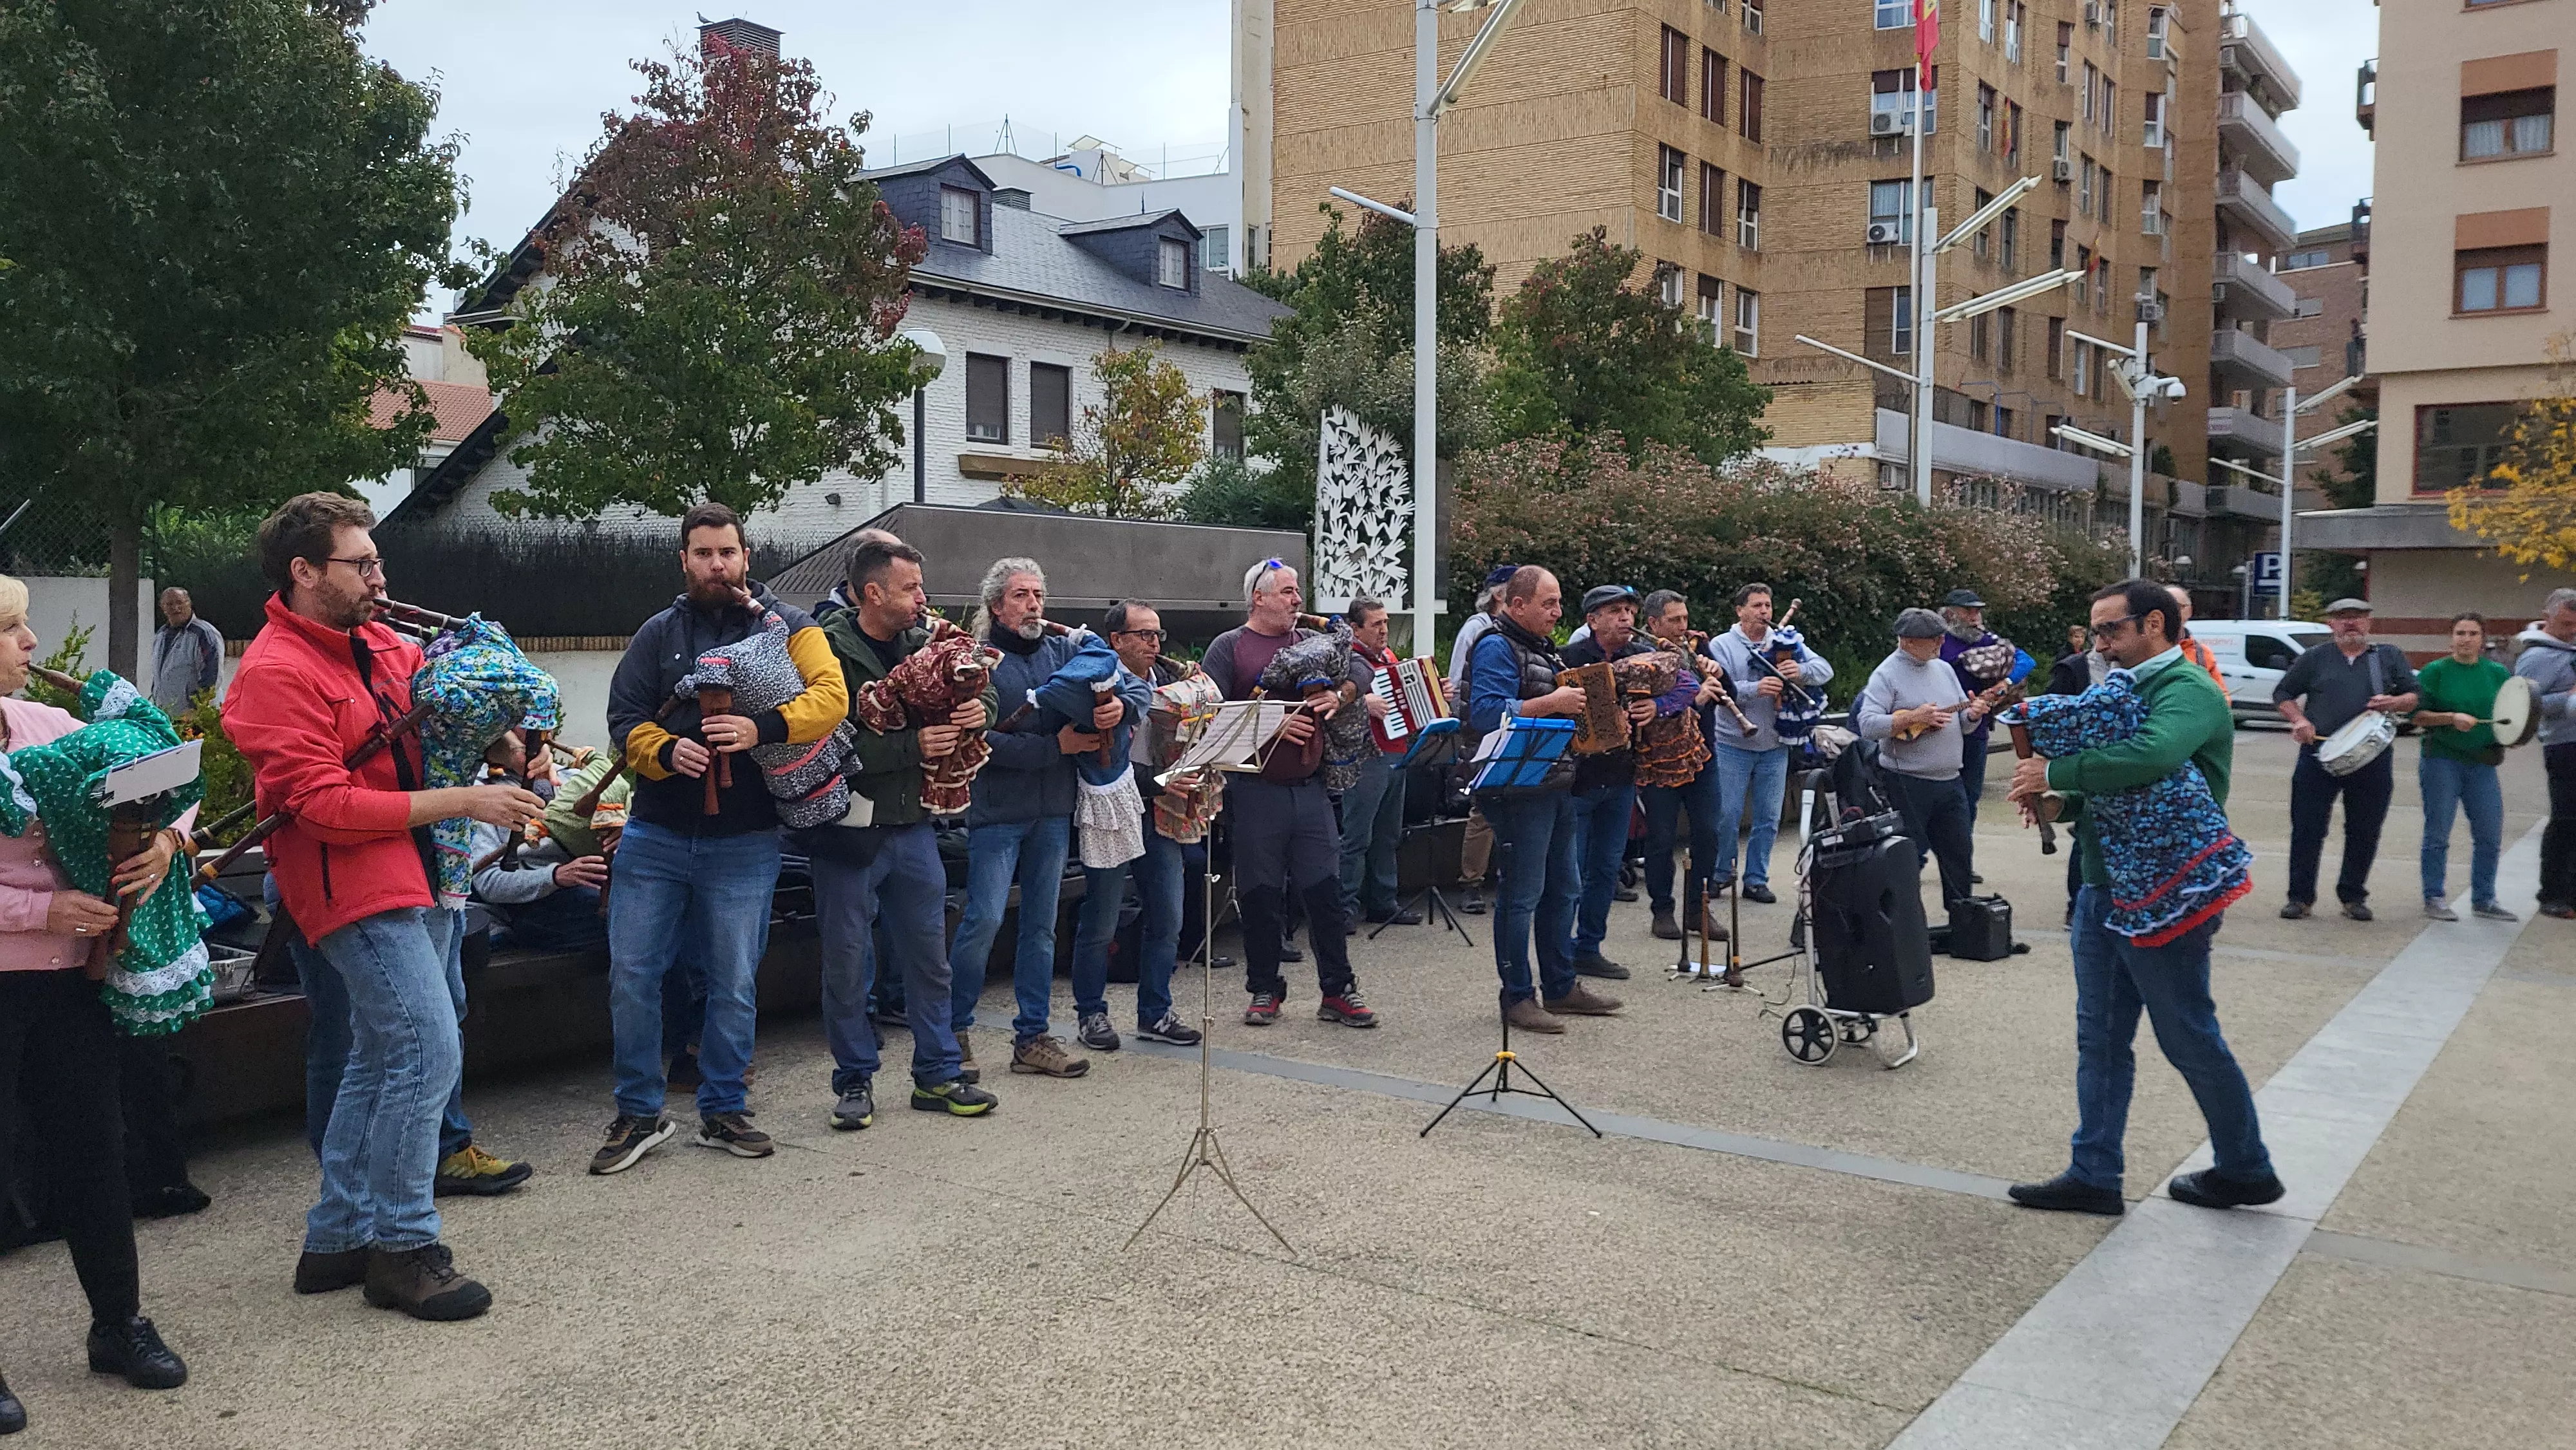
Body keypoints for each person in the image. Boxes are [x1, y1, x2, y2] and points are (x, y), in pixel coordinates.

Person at [226, 493, 544, 1320]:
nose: (380, 576)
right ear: (305, 573)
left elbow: (432, 717)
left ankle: (336, 1238)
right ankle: (402, 1248)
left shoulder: (379, 640)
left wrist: (500, 735)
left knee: (378, 1058)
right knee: (425, 1053)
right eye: (360, 563)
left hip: (418, 873)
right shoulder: (272, 672)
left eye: (376, 561)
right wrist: (466, 800)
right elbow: (322, 806)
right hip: (351, 885)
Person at [2007, 579, 2282, 1217]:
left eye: (2110, 630)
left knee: (2186, 1033)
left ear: (2153, 623)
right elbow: (2120, 790)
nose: (2098, 642)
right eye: (2095, 631)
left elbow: (2152, 756)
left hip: (2166, 891)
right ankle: (2094, 1173)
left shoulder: (2188, 689)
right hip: (2104, 886)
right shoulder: (2120, 689)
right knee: (2098, 1038)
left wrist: (2056, 772)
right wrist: (2062, 801)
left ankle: (2247, 1167)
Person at [592, 503, 848, 1174]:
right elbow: (623, 719)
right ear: (684, 559)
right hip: (655, 832)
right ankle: (639, 1111)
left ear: (745, 556)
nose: (715, 564)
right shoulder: (657, 634)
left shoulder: (791, 626)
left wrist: (760, 729)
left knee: (734, 981)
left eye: (726, 552)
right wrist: (664, 751)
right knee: (632, 978)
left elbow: (832, 695)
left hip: (746, 838)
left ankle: (724, 1107)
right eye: (702, 553)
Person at [0, 572, 191, 1423]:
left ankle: (119, 1325)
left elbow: (170, 771)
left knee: (95, 1151)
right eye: (12, 630)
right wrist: (45, 908)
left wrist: (166, 844)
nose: (33, 646)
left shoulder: (46, 725)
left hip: (70, 989)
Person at [805, 534, 998, 1129]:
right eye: (910, 588)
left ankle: (937, 1076)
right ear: (873, 592)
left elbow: (985, 686)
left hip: (913, 825)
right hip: (848, 831)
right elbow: (819, 742)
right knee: (846, 963)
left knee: (928, 958)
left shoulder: (929, 638)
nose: (922, 598)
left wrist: (978, 710)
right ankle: (855, 1082)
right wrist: (909, 747)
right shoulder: (825, 650)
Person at [948, 558, 1145, 1077]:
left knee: (1040, 928)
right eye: (1020, 595)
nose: (1034, 604)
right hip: (997, 812)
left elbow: (1129, 688)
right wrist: (1051, 747)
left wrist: (1116, 708)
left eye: (1038, 594)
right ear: (996, 606)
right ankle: (952, 1033)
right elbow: (977, 740)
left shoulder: (1067, 650)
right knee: (985, 920)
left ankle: (1032, 1039)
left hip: (1054, 811)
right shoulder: (978, 661)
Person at [1202, 558, 1376, 1028]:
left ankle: (1338, 990)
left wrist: (1341, 695)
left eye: (1297, 591)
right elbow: (1205, 713)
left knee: (1325, 892)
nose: (1298, 600)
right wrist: (1273, 722)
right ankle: (1264, 989)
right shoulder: (1229, 647)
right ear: (1258, 598)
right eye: (1286, 592)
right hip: (1256, 790)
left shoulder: (1313, 642)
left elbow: (1362, 666)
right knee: (1261, 896)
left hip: (1312, 787)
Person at [1461, 565, 1625, 1033]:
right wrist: (1553, 703)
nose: (1557, 612)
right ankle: (1516, 996)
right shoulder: (1496, 645)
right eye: (1548, 604)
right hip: (1516, 787)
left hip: (1554, 781)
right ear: (1517, 606)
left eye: (1557, 603)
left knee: (1564, 889)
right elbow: (1487, 713)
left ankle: (1561, 987)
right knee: (1522, 895)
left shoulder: (1541, 648)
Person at [1068, 600, 1208, 1049]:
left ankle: (1155, 1012)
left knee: (1168, 915)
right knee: (1103, 918)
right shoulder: (1096, 685)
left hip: (1161, 811)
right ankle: (1091, 1014)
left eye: (1157, 636)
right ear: (1116, 641)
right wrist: (1165, 781)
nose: (1154, 644)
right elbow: (1101, 756)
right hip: (1114, 808)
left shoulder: (1170, 680)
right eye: (1144, 635)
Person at [2272, 597, 2418, 921]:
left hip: (2372, 757)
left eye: (2358, 617)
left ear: (2370, 622)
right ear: (2331, 624)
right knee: (2308, 829)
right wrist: (2299, 720)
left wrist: (2394, 701)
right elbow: (2283, 695)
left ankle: (2353, 896)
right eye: (2343, 618)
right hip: (2317, 756)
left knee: (2364, 829)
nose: (2350, 623)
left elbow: (2414, 696)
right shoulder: (2314, 658)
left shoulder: (2388, 657)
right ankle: (2300, 897)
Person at [1701, 582, 1835, 907]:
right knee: (1728, 815)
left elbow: (1825, 671)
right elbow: (1718, 689)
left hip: (1775, 744)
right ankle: (1722, 873)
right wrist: (1754, 688)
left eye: (1768, 606)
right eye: (1757, 606)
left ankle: (1757, 880)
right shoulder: (1721, 645)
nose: (1765, 612)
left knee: (1768, 818)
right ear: (1740, 610)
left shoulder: (1785, 640)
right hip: (1732, 743)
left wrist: (1800, 671)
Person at [1553, 585, 1659, 978]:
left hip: (1622, 777)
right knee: (1571, 873)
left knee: (1607, 867)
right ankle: (1560, 952)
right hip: (1579, 781)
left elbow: (1684, 685)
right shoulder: (1569, 659)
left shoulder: (1643, 658)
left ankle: (1589, 948)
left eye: (1630, 610)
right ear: (1592, 620)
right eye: (1615, 611)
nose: (1626, 618)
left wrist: (1655, 705)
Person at [1855, 608, 1988, 916]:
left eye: (1942, 635)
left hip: (1950, 778)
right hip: (1907, 780)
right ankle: (1905, 923)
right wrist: (1914, 717)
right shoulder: (1886, 674)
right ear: (1908, 641)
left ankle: (1963, 919)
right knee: (1910, 855)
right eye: (1934, 638)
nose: (1942, 641)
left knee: (1959, 852)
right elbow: (1867, 725)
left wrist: (1972, 715)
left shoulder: (1943, 669)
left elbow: (1961, 723)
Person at [2410, 613, 2520, 923]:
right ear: (2451, 638)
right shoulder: (2436, 672)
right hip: (2442, 760)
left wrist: (2513, 736)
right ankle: (2434, 896)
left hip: (2482, 762)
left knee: (2489, 833)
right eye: (2460, 633)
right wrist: (2450, 718)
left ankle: (2484, 898)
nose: (2466, 639)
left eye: (2473, 633)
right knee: (2439, 832)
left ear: (2482, 640)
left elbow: (2512, 713)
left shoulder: (2497, 673)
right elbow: (2417, 716)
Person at [465, 730, 611, 955]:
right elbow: (487, 883)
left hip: (588, 890)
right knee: (622, 920)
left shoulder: (574, 778)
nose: (539, 727)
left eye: (544, 717)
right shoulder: (479, 792)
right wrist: (556, 876)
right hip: (523, 905)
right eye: (524, 719)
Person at [1638, 590, 1723, 941]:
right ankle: (1662, 910)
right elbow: (1644, 708)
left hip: (1702, 753)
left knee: (1709, 831)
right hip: (1661, 758)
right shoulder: (1640, 656)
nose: (1682, 627)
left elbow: (1723, 691)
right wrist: (1695, 698)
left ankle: (1698, 909)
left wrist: (1715, 673)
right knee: (1660, 837)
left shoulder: (1697, 648)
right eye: (1674, 620)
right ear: (1653, 623)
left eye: (1684, 618)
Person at [1335, 596, 1419, 929]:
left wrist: (1433, 692)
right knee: (1357, 834)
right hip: (1365, 754)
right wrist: (1360, 703)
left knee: (1388, 832)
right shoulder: (1345, 660)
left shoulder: (1387, 656)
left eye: (1386, 622)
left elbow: (1403, 697)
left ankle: (1384, 901)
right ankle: (1344, 907)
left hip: (1396, 749)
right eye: (1377, 625)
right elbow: (1331, 704)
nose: (1385, 630)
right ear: (1355, 629)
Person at [1446, 565, 1518, 915]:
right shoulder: (1476, 629)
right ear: (1500, 596)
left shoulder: (1522, 634)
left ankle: (1508, 876)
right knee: (1483, 808)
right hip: (1482, 728)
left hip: (1515, 726)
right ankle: (1471, 883)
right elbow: (1457, 680)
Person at [2519, 588, 2576, 919]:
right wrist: (2570, 698)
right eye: (2566, 624)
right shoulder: (2536, 656)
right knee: (2566, 821)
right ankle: (2552, 894)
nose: (2571, 631)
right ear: (2548, 615)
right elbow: (2526, 706)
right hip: (2564, 746)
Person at [1935, 588, 2011, 826]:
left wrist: (2004, 684)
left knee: (1969, 797)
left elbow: (2027, 661)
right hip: (1939, 729)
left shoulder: (1987, 639)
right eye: (1968, 610)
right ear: (1949, 614)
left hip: (1976, 730)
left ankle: (1962, 857)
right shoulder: (1936, 640)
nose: (1974, 616)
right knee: (1939, 798)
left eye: (1977, 611)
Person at [149, 587, 223, 717]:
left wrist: (196, 709)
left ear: (189, 604)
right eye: (170, 604)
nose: (175, 608)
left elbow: (212, 676)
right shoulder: (161, 635)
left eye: (180, 603)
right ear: (163, 607)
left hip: (197, 717)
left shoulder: (204, 634)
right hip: (167, 715)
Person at [2166, 585, 2221, 677]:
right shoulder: (2145, 649)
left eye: (2178, 606)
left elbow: (2219, 690)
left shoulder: (2202, 654)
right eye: (2166, 607)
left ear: (2190, 611)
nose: (2171, 612)